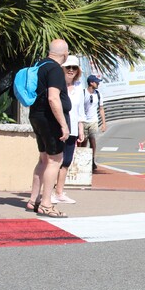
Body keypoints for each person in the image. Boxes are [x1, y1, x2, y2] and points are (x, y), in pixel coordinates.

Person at [27, 39, 71, 218]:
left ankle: (33, 200)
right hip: (49, 119)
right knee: (54, 161)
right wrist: (63, 124)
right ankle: (46, 204)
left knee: (43, 159)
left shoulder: (40, 65)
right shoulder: (54, 69)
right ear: (65, 54)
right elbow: (53, 98)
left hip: (36, 116)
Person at [52, 55, 85, 204]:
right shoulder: (56, 85)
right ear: (63, 69)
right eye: (68, 67)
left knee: (66, 161)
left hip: (72, 130)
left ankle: (59, 192)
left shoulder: (79, 88)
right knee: (54, 161)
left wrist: (81, 129)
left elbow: (80, 111)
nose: (71, 70)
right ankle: (49, 192)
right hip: (58, 128)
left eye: (74, 68)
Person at [81, 74, 106, 171]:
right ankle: (82, 160)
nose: (98, 84)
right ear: (91, 83)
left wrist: (104, 123)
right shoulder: (83, 93)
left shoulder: (98, 94)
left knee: (93, 140)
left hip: (93, 121)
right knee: (83, 141)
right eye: (96, 82)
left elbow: (101, 108)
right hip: (83, 121)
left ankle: (92, 160)